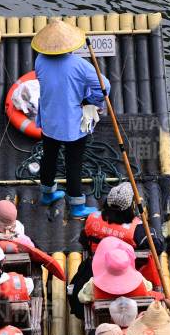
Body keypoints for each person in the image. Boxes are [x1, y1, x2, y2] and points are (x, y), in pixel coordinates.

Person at [30, 19, 110, 217]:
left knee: (49, 156)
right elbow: (104, 86)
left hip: (49, 119)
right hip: (71, 124)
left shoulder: (39, 60)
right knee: (74, 162)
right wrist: (91, 100)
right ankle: (76, 205)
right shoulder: (80, 65)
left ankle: (47, 192)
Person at [75, 236, 162, 308]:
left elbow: (82, 297)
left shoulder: (93, 284)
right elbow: (149, 287)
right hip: (134, 318)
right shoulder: (140, 280)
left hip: (105, 321)